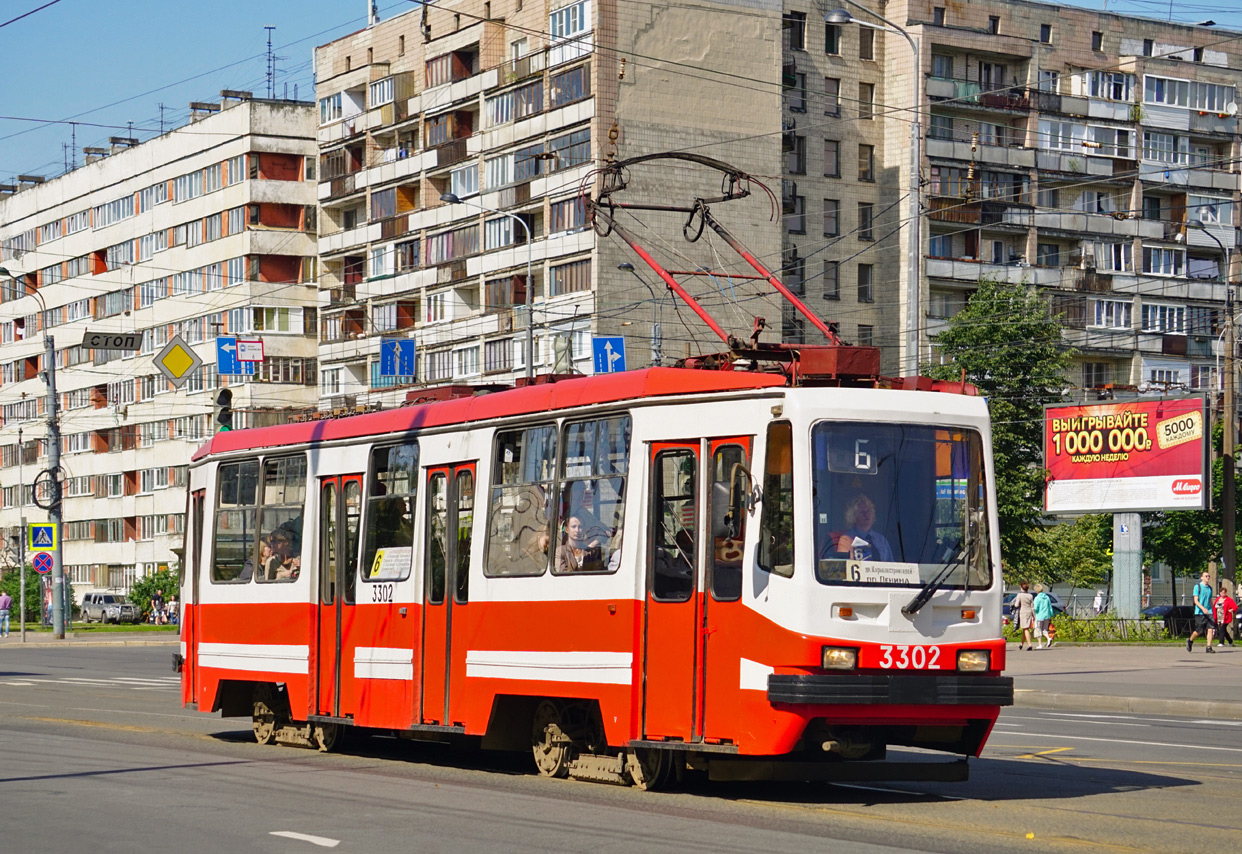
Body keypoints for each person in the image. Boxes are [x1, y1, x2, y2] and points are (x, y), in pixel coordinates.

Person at [833, 494, 893, 562]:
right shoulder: (847, 539)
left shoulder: (881, 540)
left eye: (869, 511)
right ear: (853, 516)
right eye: (862, 512)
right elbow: (846, 566)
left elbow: (891, 565)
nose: (867, 514)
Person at [1187, 571, 1216, 653]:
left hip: (1209, 611)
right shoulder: (1197, 587)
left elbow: (1210, 600)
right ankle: (1190, 640)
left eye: (1209, 576)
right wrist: (1203, 608)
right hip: (1200, 612)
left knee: (1210, 629)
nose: (1208, 577)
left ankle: (1209, 647)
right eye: (1206, 576)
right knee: (1199, 631)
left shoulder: (1210, 588)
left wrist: (1213, 609)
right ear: (1201, 577)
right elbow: (1196, 601)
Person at [1013, 582, 1036, 651]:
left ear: (1021, 588)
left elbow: (1016, 605)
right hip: (1029, 612)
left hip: (1023, 612)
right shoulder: (1030, 595)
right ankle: (1021, 644)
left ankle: (1029, 645)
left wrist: (1014, 605)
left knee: (1026, 629)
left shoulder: (1019, 595)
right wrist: (1034, 615)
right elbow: (1032, 606)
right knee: (1025, 629)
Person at [1033, 584, 1055, 649]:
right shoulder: (1047, 597)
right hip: (1046, 615)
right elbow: (1050, 607)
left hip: (1039, 616)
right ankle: (1049, 638)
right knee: (1045, 630)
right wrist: (1051, 615)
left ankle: (1040, 644)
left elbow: (1036, 608)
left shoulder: (1037, 598)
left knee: (1038, 630)